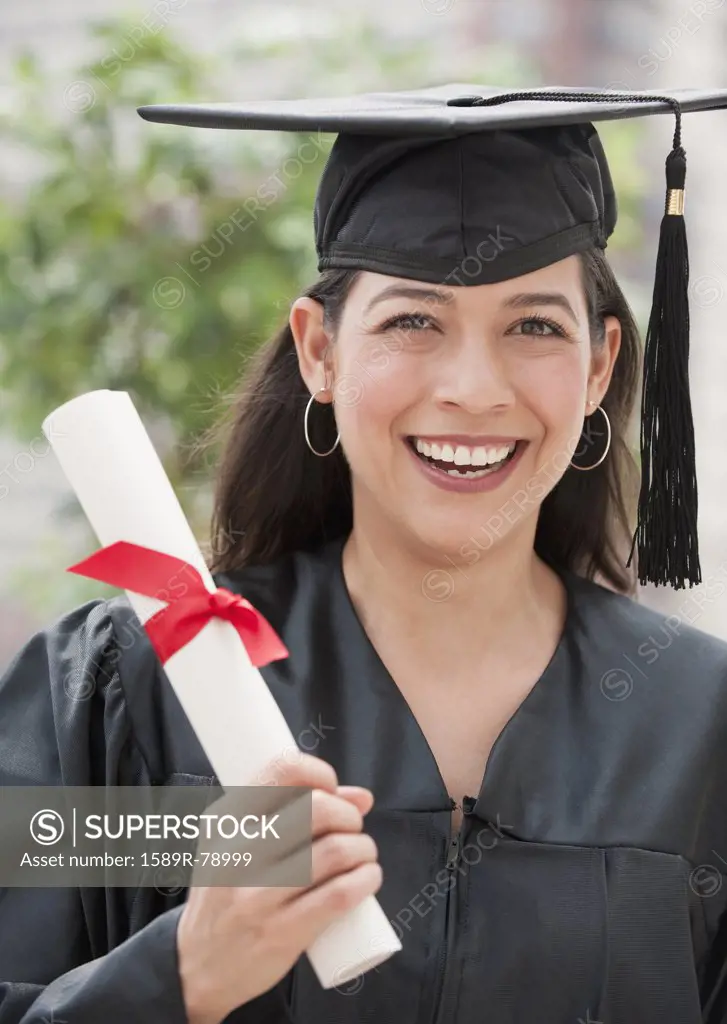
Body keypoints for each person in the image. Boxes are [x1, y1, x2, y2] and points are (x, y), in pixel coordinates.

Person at [2, 83, 727, 1024]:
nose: (472, 388)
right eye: (412, 321)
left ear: (598, 366)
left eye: (534, 325)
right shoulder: (127, 694)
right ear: (319, 352)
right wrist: (178, 976)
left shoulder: (699, 728)